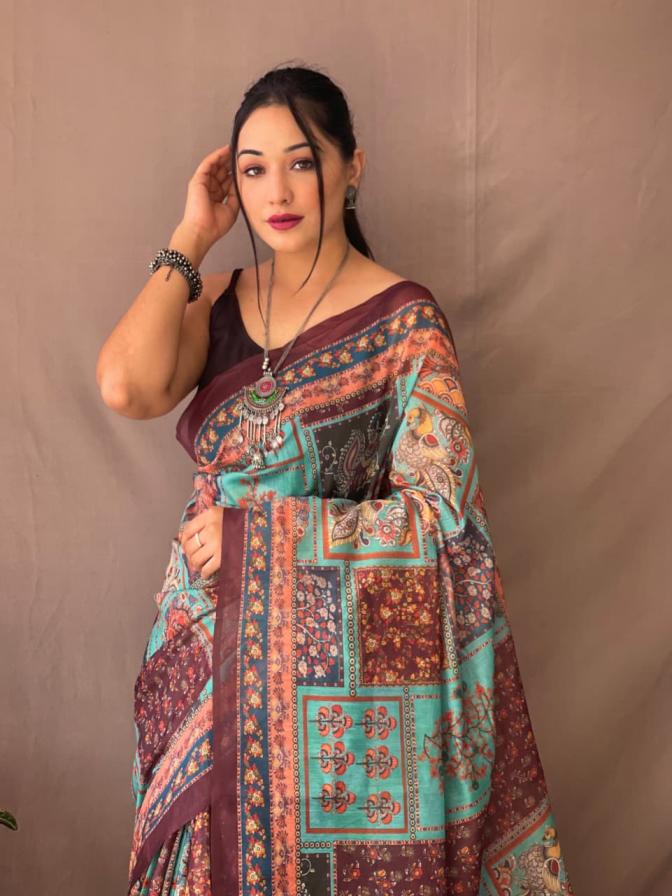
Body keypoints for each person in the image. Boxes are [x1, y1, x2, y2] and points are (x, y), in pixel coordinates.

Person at [96, 65, 574, 896]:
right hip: (208, 662)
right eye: (253, 170)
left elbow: (444, 524)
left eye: (301, 162)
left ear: (352, 168)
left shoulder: (404, 321)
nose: (276, 191)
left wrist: (256, 540)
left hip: (340, 704)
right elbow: (123, 387)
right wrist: (192, 233)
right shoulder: (217, 300)